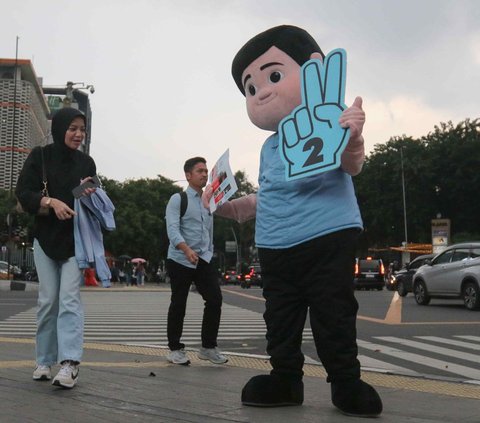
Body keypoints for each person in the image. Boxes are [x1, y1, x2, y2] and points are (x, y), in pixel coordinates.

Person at [203, 25, 382, 417]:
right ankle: (285, 377)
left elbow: (352, 165)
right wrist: (223, 206)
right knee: (280, 316)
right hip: (275, 244)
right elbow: (265, 197)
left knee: (331, 312)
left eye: (274, 76)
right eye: (250, 88)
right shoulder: (269, 147)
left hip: (326, 235)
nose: (262, 91)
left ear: (315, 70)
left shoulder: (329, 121)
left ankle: (345, 380)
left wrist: (353, 136)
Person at [15, 107, 98, 389]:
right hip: (45, 239)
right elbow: (23, 193)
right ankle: (44, 360)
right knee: (48, 301)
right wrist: (52, 203)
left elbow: (85, 199)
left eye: (82, 130)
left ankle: (70, 364)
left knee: (69, 300)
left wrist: (90, 195)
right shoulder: (40, 156)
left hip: (76, 241)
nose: (78, 134)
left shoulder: (87, 163)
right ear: (59, 128)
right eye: (72, 128)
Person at [165, 157, 227, 366]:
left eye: (206, 171)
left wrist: (208, 251)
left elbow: (208, 230)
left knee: (215, 299)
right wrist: (186, 249)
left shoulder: (208, 200)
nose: (204, 174)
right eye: (199, 171)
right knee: (179, 303)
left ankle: (208, 347)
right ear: (188, 175)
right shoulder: (178, 199)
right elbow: (172, 229)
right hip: (180, 259)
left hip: (203, 258)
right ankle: (175, 349)